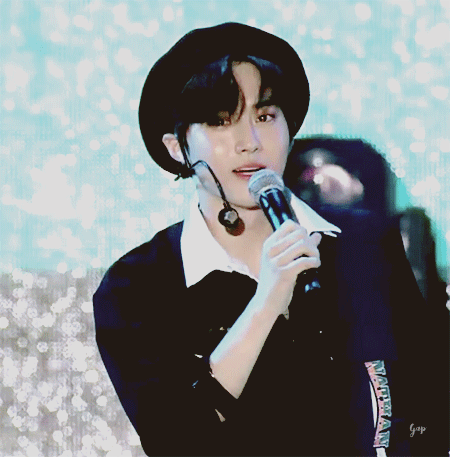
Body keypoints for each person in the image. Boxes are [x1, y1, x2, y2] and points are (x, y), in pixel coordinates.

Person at [93, 22, 448, 456]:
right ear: (177, 147)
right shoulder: (136, 286)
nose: (250, 142)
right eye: (220, 121)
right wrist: (267, 301)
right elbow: (177, 439)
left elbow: (429, 406)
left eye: (264, 117)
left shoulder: (364, 244)